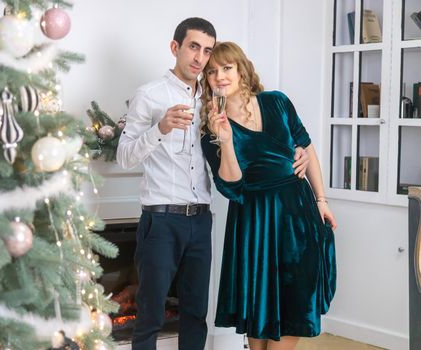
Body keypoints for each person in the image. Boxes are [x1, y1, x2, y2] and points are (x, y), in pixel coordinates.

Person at [117, 18, 309, 349]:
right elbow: (124, 157)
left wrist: (297, 148)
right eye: (194, 47)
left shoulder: (213, 96)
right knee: (149, 316)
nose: (201, 58)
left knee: (195, 315)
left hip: (200, 220)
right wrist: (160, 128)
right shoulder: (149, 95)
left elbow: (259, 124)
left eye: (207, 50)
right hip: (161, 219)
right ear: (175, 47)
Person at [200, 41, 337, 350]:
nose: (219, 76)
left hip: (297, 214)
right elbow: (232, 187)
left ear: (241, 69)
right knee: (259, 306)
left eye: (226, 68)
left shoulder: (277, 102)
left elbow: (307, 148)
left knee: (297, 299)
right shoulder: (210, 130)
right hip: (254, 222)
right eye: (211, 72)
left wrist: (321, 200)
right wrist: (224, 140)